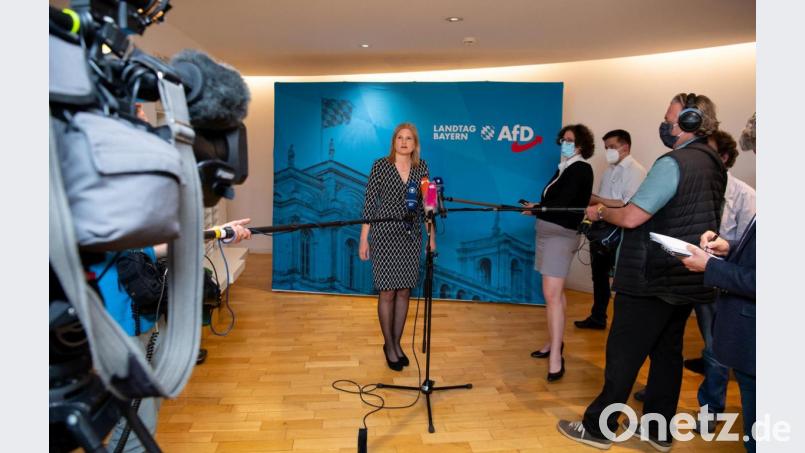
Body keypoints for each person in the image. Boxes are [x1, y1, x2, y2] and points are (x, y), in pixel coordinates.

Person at [557, 93, 727, 451]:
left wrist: (601, 212)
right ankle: (657, 431)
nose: (665, 124)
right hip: (684, 275)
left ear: (690, 121)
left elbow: (634, 216)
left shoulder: (673, 163)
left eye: (669, 118)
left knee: (624, 352)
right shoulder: (713, 163)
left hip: (651, 275)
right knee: (667, 355)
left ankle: (598, 427)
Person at [679, 113, 756, 453]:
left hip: (730, 291)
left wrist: (712, 264)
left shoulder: (747, 195)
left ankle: (712, 411)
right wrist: (730, 247)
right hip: (708, 276)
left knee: (716, 350)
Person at [360, 123, 435, 371]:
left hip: (411, 236)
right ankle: (389, 345)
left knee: (404, 291)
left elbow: (429, 204)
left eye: (409, 138)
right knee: (387, 292)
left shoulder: (422, 167)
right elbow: (369, 203)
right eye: (400, 138)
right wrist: (364, 238)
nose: (404, 142)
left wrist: (431, 236)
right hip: (384, 234)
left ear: (415, 144)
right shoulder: (380, 165)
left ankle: (397, 343)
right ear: (394, 141)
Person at [523, 124, 594, 382]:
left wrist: (539, 209)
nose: (564, 143)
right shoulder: (564, 167)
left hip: (560, 236)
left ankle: (556, 357)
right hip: (547, 233)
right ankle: (554, 342)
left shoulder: (581, 168)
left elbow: (565, 204)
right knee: (557, 293)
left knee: (551, 295)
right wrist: (538, 206)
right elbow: (554, 201)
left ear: (581, 145)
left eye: (569, 140)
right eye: (562, 139)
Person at [575, 129, 646, 330]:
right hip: (601, 228)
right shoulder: (608, 171)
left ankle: (625, 325)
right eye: (606, 148)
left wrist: (596, 200)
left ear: (626, 147)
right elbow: (604, 203)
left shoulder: (636, 170)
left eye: (612, 147)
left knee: (621, 280)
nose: (608, 151)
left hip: (622, 232)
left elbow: (626, 204)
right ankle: (598, 316)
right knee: (599, 276)